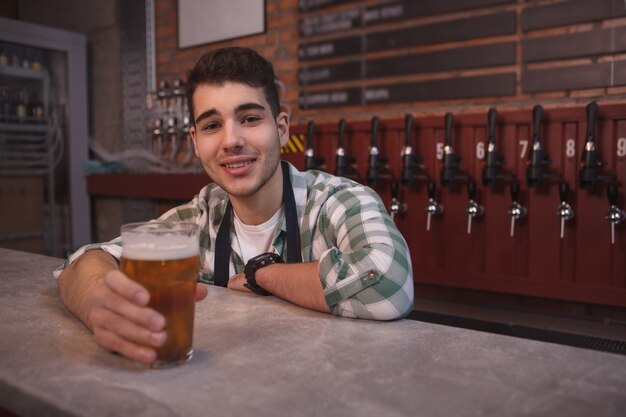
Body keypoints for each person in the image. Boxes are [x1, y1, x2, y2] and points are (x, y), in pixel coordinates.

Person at [56, 47, 414, 365]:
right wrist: (99, 305)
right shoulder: (197, 218)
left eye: (250, 118)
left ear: (282, 127)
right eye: (212, 125)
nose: (231, 141)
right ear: (195, 141)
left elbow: (388, 281)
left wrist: (264, 275)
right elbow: (88, 260)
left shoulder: (338, 201)